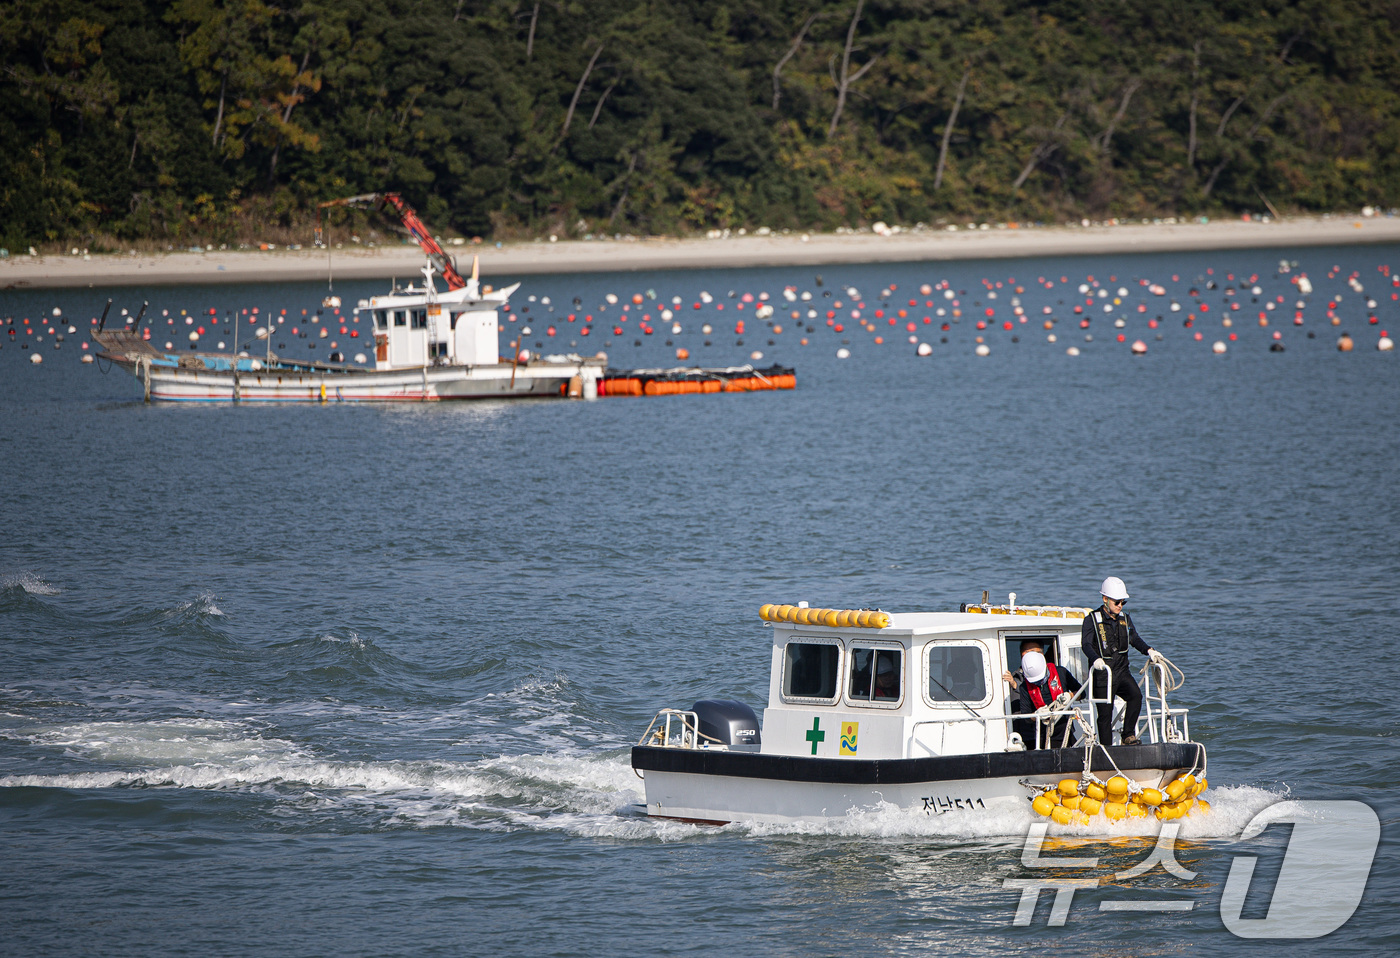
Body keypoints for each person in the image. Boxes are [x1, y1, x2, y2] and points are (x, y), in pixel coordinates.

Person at [1081, 576, 1163, 746]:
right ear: (1105, 599)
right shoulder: (1091, 620)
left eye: (1123, 602)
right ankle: (1106, 748)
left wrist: (1149, 650)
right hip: (1103, 675)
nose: (1120, 606)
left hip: (1121, 671)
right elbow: (1086, 644)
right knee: (1105, 714)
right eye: (1117, 602)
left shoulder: (1124, 619)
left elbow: (1134, 639)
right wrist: (1095, 659)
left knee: (1135, 696)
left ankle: (1128, 735)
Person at [1016, 650, 1082, 749]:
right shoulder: (1024, 687)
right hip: (1042, 735)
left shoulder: (1061, 673)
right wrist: (1037, 715)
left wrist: (1070, 695)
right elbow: (1026, 716)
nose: (1040, 683)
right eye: (1036, 681)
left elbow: (1082, 693)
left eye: (1041, 679)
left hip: (1064, 730)